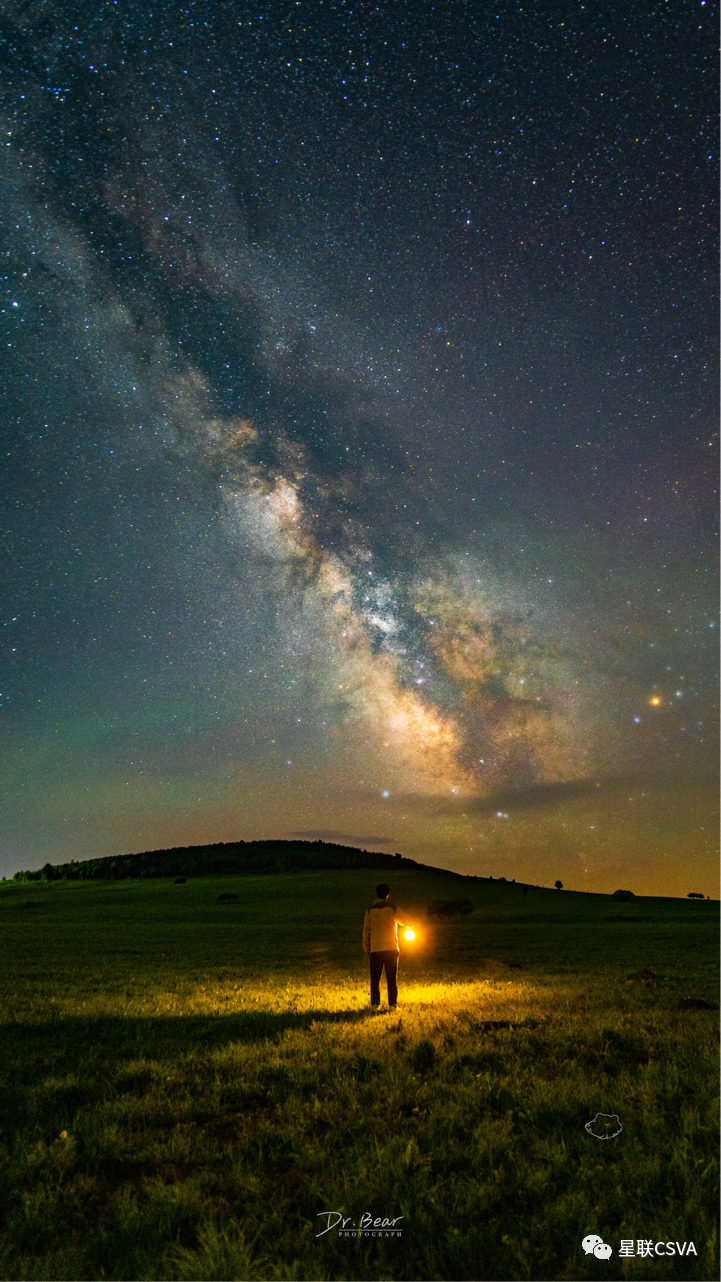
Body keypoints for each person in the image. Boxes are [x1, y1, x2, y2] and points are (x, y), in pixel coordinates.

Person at [362, 883, 411, 1011]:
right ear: (388, 894)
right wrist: (413, 925)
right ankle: (393, 1005)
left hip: (375, 949)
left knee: (375, 979)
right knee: (391, 979)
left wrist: (366, 947)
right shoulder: (393, 908)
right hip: (391, 948)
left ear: (376, 894)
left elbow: (366, 930)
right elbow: (405, 920)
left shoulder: (370, 910)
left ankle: (374, 1005)